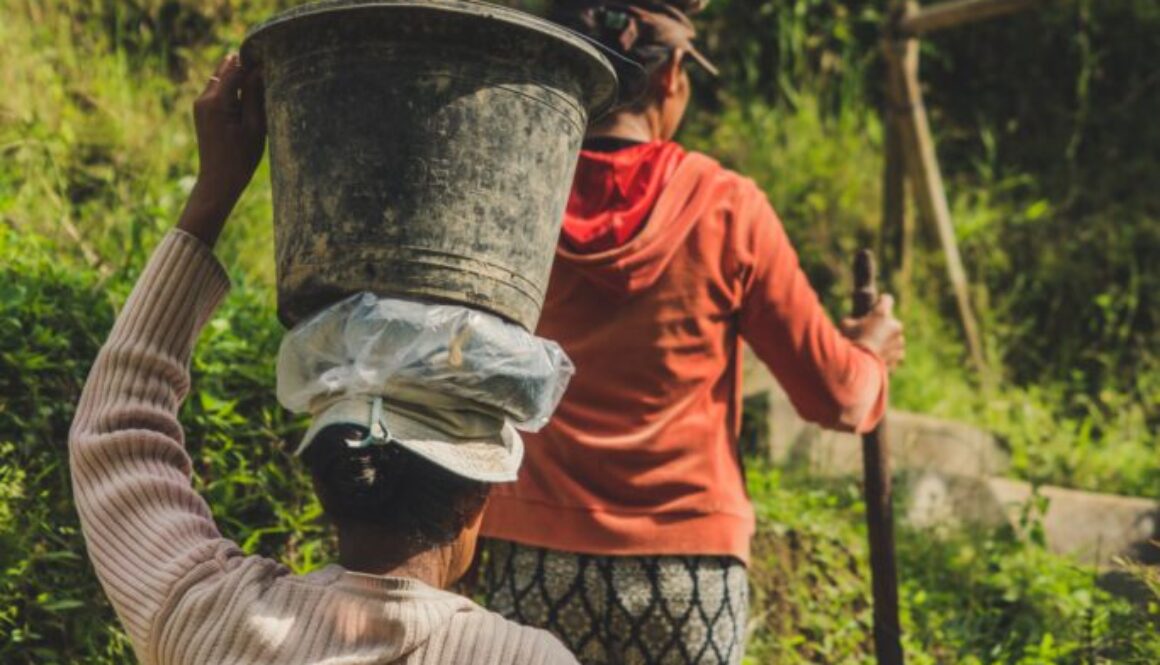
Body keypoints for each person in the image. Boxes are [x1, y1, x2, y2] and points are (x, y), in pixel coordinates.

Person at [69, 54, 579, 665]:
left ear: (328, 480)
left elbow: (116, 433)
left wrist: (214, 193)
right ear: (474, 502)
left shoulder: (210, 619)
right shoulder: (521, 658)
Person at [478, 2, 906, 664]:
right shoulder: (726, 205)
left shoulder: (516, 188)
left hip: (532, 556)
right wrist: (871, 354)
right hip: (687, 573)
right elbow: (837, 395)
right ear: (673, 72)